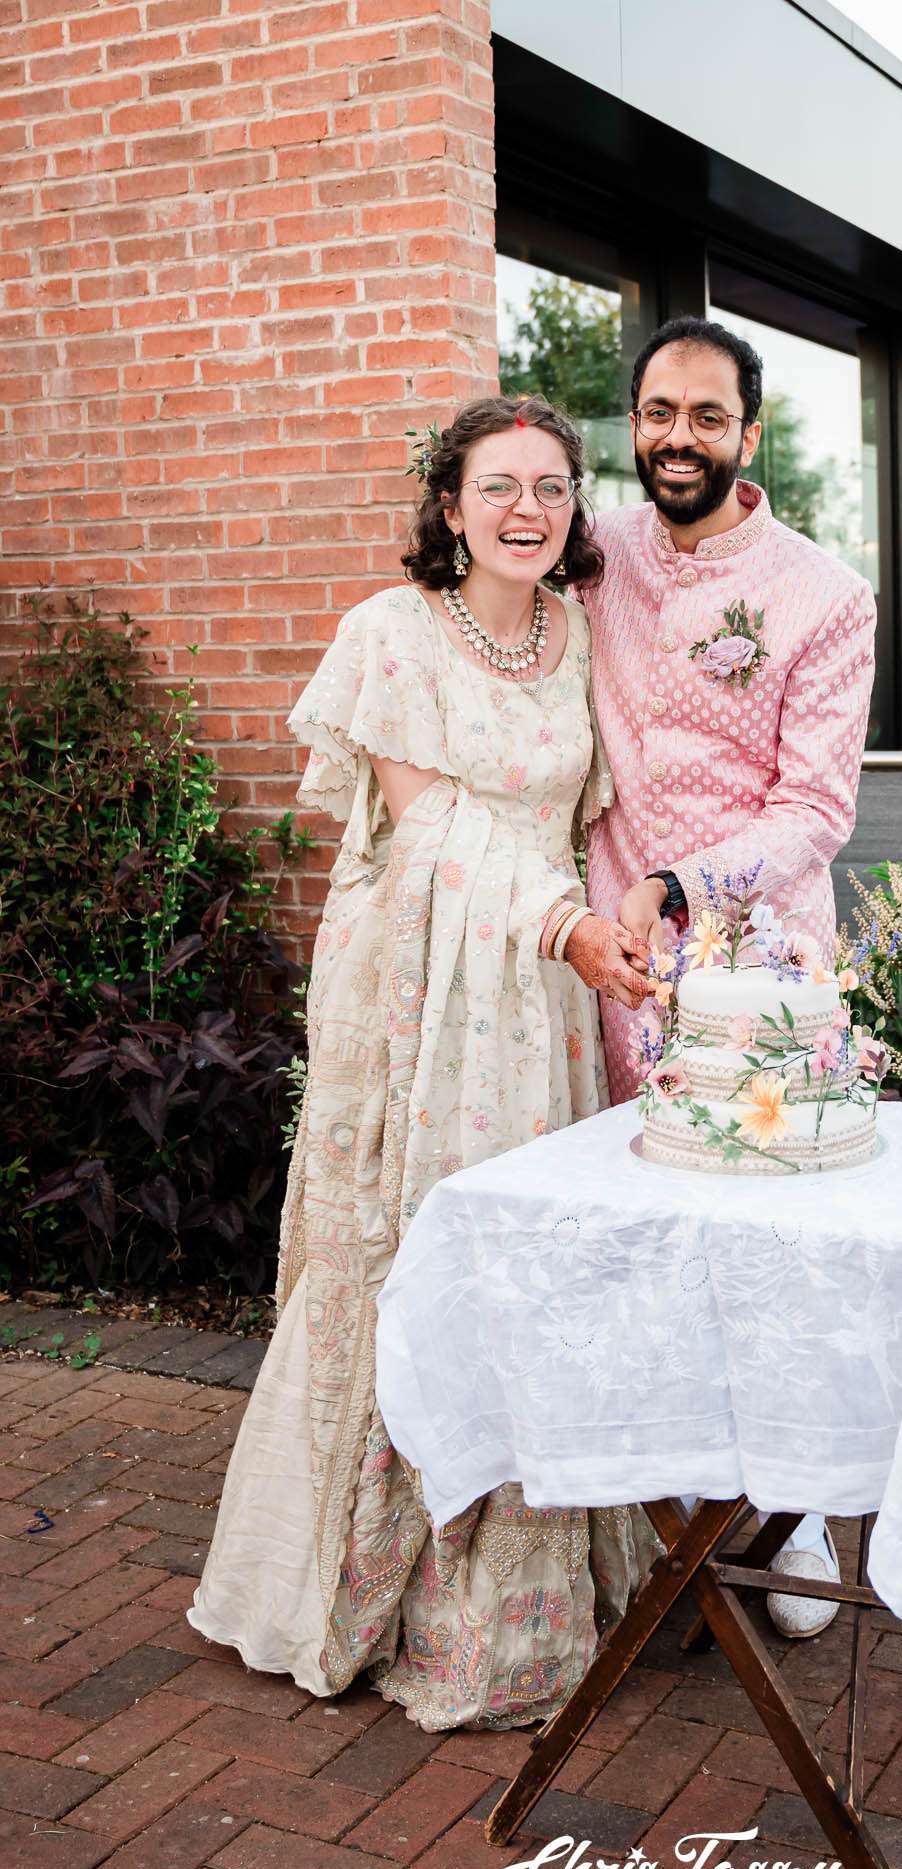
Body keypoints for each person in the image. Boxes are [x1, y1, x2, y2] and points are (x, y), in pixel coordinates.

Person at [189, 396, 657, 1729]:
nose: (528, 510)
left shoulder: (578, 635)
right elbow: (433, 826)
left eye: (553, 487)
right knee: (409, 1253)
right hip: (420, 987)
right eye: (498, 486)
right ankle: (370, 1592)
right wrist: (567, 927)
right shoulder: (389, 635)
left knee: (530, 1260)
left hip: (544, 995)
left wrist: (613, 922)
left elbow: (592, 816)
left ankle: (521, 1595)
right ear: (449, 506)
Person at [581, 317, 878, 1637]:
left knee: (767, 1251)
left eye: (708, 415)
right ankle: (660, 1505)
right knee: (637, 1240)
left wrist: (681, 886)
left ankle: (793, 1501)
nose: (679, 436)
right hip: (604, 958)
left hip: (754, 965)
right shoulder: (590, 553)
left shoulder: (824, 594)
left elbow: (815, 809)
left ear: (749, 434)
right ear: (634, 425)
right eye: (659, 412)